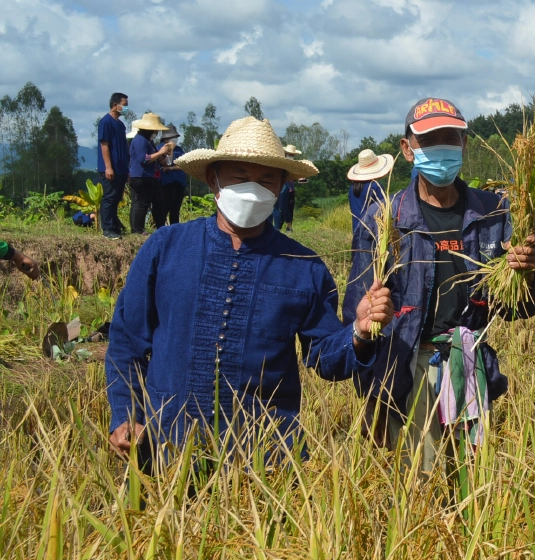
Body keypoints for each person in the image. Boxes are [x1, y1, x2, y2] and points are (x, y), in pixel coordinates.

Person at [104, 117, 393, 468]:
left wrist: (359, 332)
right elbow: (127, 341)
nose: (253, 189)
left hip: (265, 459)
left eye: (266, 179)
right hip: (167, 447)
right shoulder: (166, 247)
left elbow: (325, 359)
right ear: (214, 179)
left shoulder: (303, 266)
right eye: (240, 177)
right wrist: (126, 414)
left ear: (281, 186)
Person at [346, 97, 535, 478]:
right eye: (429, 140)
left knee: (474, 481)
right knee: (420, 484)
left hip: (468, 362)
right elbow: (357, 320)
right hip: (409, 369)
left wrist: (526, 274)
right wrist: (372, 394)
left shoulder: (492, 212)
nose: (442, 148)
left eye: (450, 138)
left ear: (464, 144)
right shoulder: (385, 219)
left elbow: (518, 308)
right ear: (407, 149)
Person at [126, 113, 175, 235]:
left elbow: (159, 160)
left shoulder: (148, 141)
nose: (157, 132)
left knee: (159, 201)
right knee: (141, 203)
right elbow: (144, 159)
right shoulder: (140, 140)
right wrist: (160, 153)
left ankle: (160, 227)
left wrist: (166, 153)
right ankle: (137, 230)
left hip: (150, 176)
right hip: (140, 176)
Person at [97, 92, 131, 239]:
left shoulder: (120, 125)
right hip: (111, 168)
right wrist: (108, 167)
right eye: (124, 105)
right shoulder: (106, 122)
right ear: (115, 105)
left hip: (121, 167)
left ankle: (115, 226)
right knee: (109, 197)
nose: (126, 108)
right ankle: (107, 228)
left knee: (116, 198)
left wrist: (127, 169)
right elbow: (104, 145)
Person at [154, 127, 188, 227]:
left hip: (179, 181)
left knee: (175, 208)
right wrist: (170, 150)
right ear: (166, 139)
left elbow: (184, 164)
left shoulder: (179, 149)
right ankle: (161, 227)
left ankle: (175, 228)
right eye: (173, 137)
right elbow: (167, 163)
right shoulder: (160, 148)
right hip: (167, 182)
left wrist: (172, 168)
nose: (175, 140)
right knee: (165, 206)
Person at [272, 145, 300, 232]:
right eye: (289, 154)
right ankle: (282, 227)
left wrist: (298, 178)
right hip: (283, 187)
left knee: (289, 208)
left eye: (292, 155)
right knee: (282, 207)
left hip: (291, 188)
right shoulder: (282, 163)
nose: (291, 156)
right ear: (286, 154)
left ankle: (286, 226)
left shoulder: (294, 165)